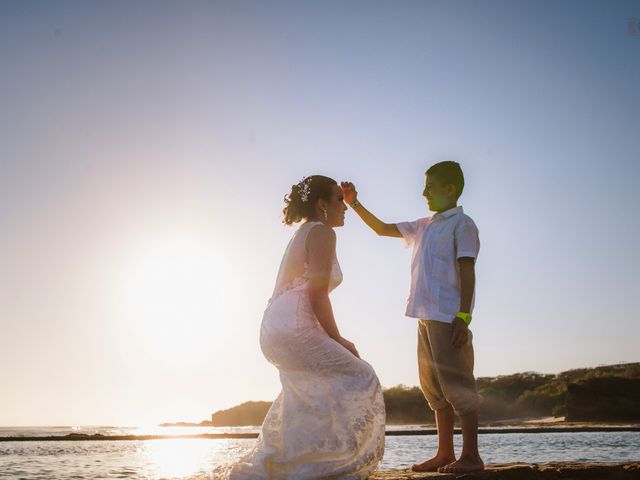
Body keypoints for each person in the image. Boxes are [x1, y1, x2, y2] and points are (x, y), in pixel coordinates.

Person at [215, 175, 386, 480]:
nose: (344, 207)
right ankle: (327, 465)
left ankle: (294, 464)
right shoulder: (321, 232)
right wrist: (339, 339)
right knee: (362, 375)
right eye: (338, 200)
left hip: (273, 327)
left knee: (306, 392)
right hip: (294, 324)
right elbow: (316, 293)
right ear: (321, 204)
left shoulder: (300, 232)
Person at [341, 161, 484, 474]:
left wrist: (463, 315)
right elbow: (381, 229)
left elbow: (467, 269)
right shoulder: (424, 225)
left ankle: (471, 456)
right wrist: (354, 204)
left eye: (430, 186)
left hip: (449, 317)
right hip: (423, 317)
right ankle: (445, 453)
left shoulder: (463, 224)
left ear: (450, 189)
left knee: (458, 386)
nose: (424, 192)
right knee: (434, 391)